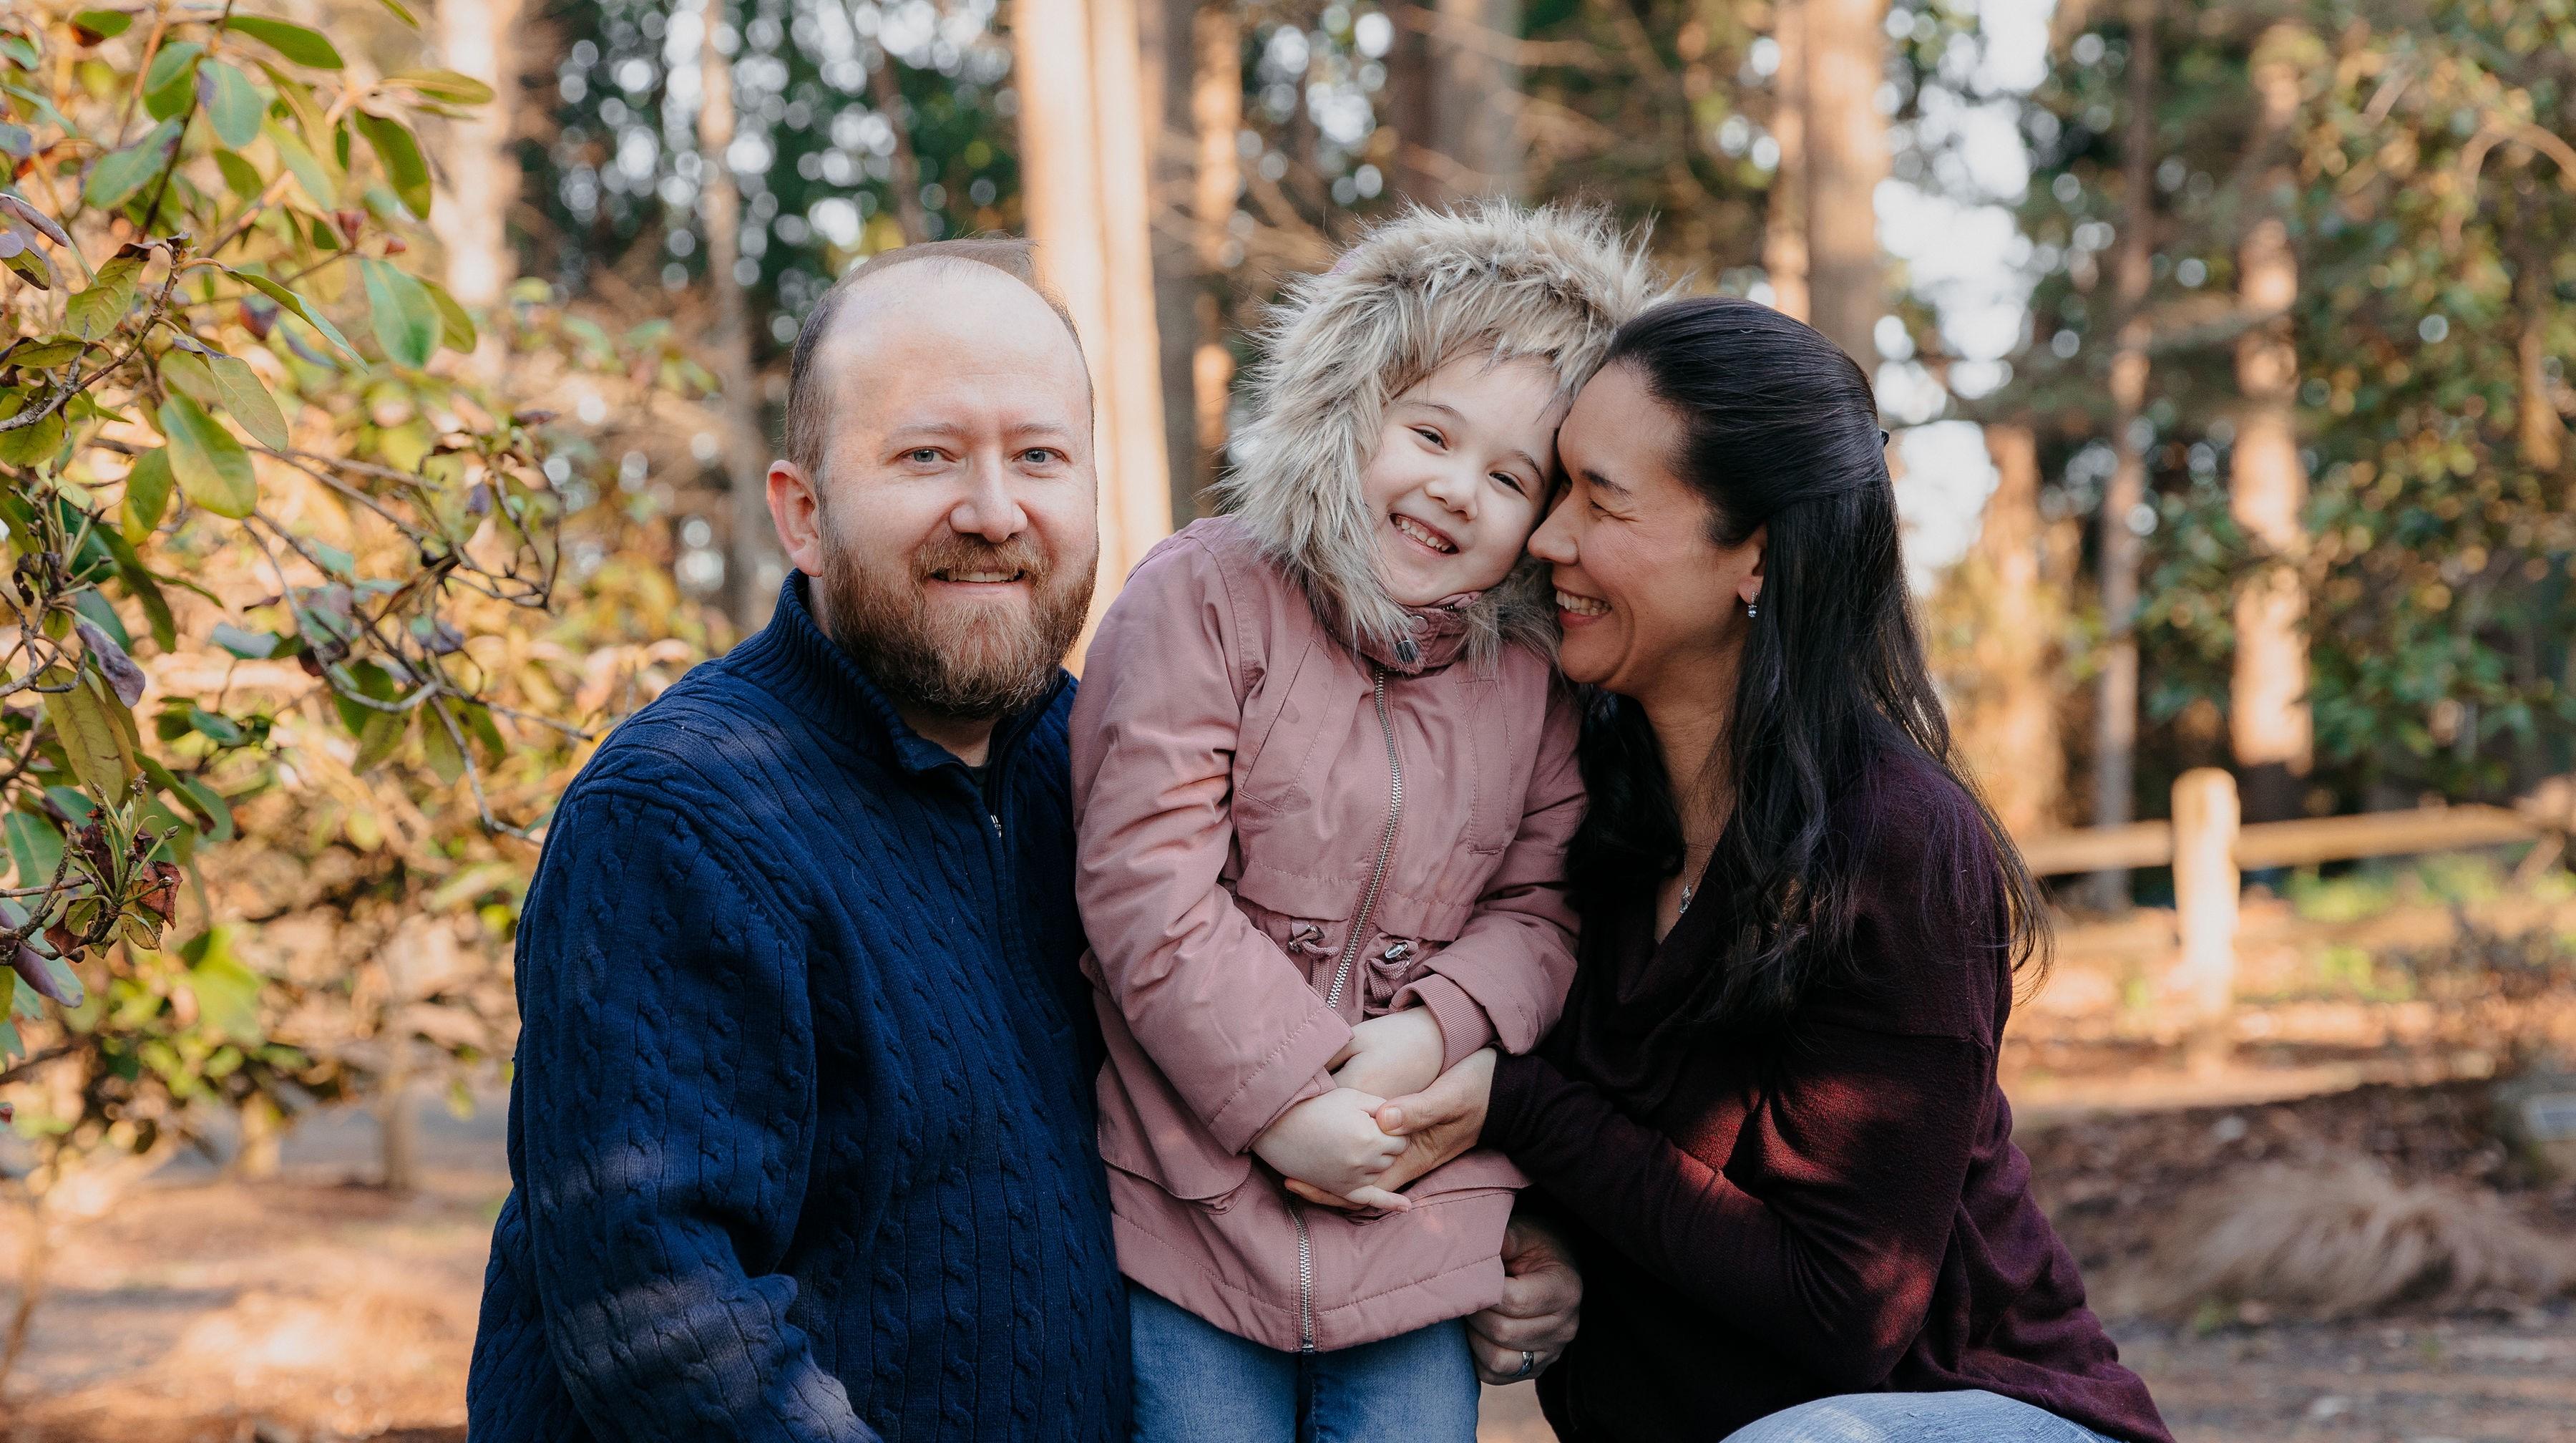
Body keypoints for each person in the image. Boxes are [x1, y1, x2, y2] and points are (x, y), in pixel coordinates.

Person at [1352, 296, 2177, 1443]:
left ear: (1757, 553)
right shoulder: (1578, 799)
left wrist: (1520, 1110)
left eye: (1603, 500)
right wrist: (1539, 1244)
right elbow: (1641, 1182)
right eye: (1559, 490)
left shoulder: (1896, 846)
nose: (1547, 540)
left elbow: (1848, 1307)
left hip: (1955, 1416)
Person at [465, 240, 1129, 1442]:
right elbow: (666, 1328)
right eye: (927, 455)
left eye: (1039, 456)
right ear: (804, 513)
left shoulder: (1113, 777)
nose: (993, 510)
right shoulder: (679, 816)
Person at [1068, 204, 1659, 1442]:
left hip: (1416, 1204)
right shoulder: (1207, 598)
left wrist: (1434, 1032)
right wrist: (1285, 1100)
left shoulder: (1530, 684)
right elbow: (1146, 881)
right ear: (1352, 412)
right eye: (1430, 433)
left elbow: (1544, 905)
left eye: (1509, 477)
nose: (1454, 491)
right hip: (1191, 1201)